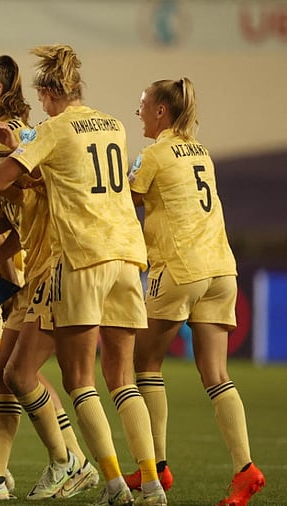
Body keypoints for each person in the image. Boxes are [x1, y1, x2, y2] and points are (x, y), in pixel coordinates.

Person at [0, 44, 165, 506]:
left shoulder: (53, 128)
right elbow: (72, 175)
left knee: (80, 379)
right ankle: (152, 484)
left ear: (47, 92)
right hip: (128, 254)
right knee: (122, 378)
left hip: (81, 258)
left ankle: (114, 484)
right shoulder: (114, 125)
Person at [0, 56, 98, 501]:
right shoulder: (1, 135)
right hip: (28, 263)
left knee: (18, 374)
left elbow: (27, 188)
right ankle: (4, 475)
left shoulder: (21, 132)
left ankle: (73, 461)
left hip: (36, 264)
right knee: (3, 375)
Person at [127, 77, 265, 506]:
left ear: (161, 111)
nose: (139, 112)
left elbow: (120, 203)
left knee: (144, 364)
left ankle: (157, 467)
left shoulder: (154, 154)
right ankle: (246, 469)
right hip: (222, 269)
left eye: (143, 105)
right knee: (216, 374)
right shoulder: (200, 152)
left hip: (180, 268)